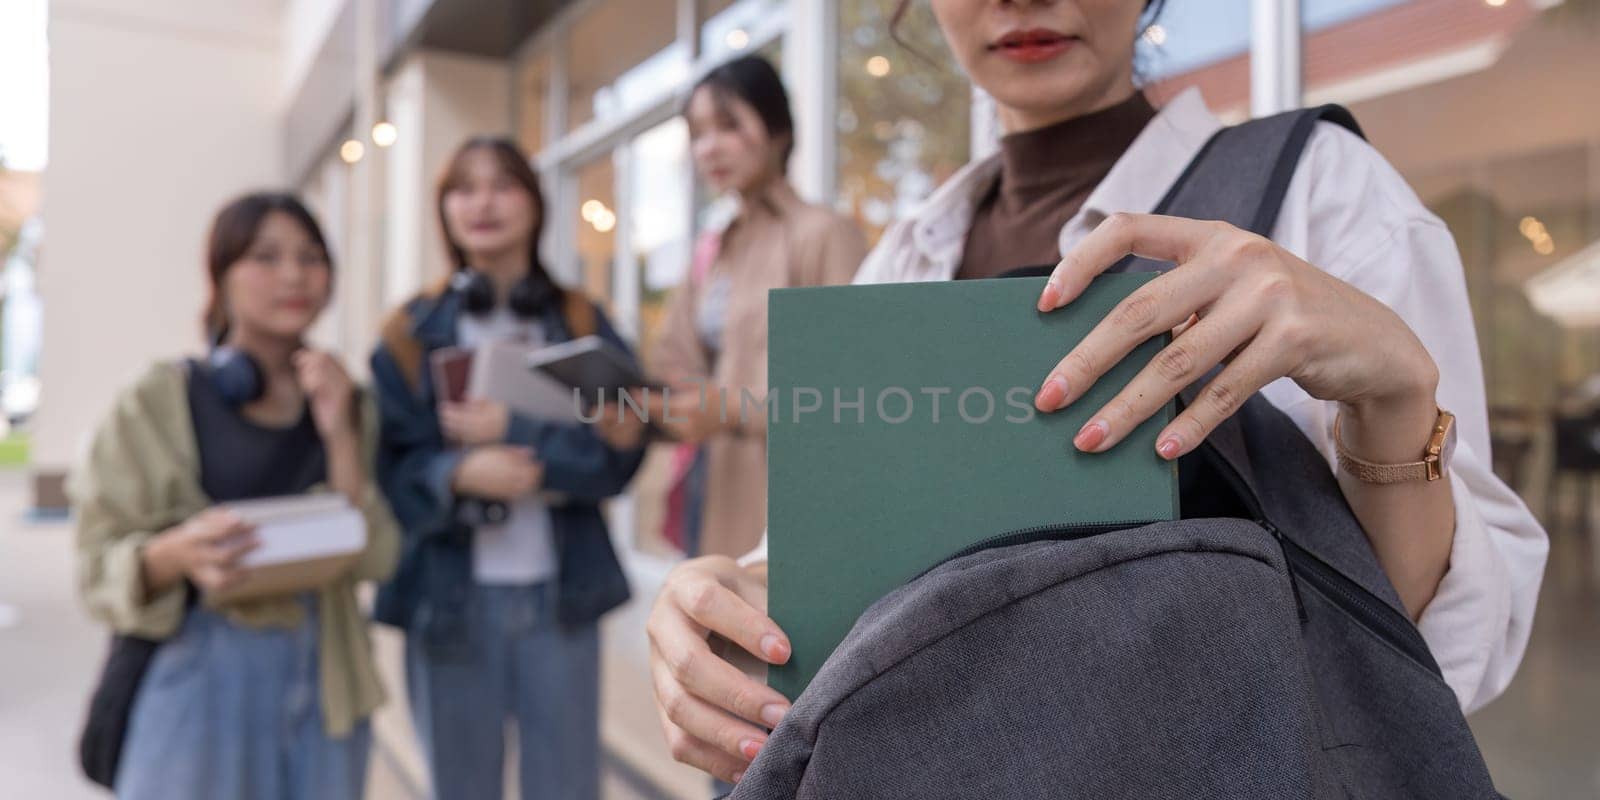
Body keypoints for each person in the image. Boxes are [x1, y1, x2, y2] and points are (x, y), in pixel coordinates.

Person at [646, 0, 1549, 784]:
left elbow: (1421, 657)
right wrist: (719, 597)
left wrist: (1394, 399)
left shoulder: (1319, 192)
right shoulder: (906, 260)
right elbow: (832, 574)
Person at [71, 192, 399, 798]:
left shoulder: (349, 401)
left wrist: (341, 433)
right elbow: (96, 564)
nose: (294, 275)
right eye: (266, 257)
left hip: (325, 676)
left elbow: (374, 556)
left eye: (310, 256)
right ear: (220, 276)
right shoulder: (158, 400)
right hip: (198, 673)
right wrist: (176, 554)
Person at [370, 136, 647, 800]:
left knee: (568, 787)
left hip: (562, 600)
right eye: (463, 188)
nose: (483, 203)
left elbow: (620, 455)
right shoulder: (406, 334)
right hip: (449, 603)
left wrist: (519, 435)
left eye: (502, 185)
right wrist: (456, 475)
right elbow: (389, 471)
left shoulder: (582, 320)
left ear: (535, 200)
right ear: (444, 209)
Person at [649, 54, 868, 558]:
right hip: (712, 486)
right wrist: (643, 410)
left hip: (791, 503)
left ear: (778, 130)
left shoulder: (824, 234)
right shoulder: (714, 248)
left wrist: (732, 409)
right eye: (697, 133)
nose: (709, 148)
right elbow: (674, 360)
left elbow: (857, 390)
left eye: (728, 125)